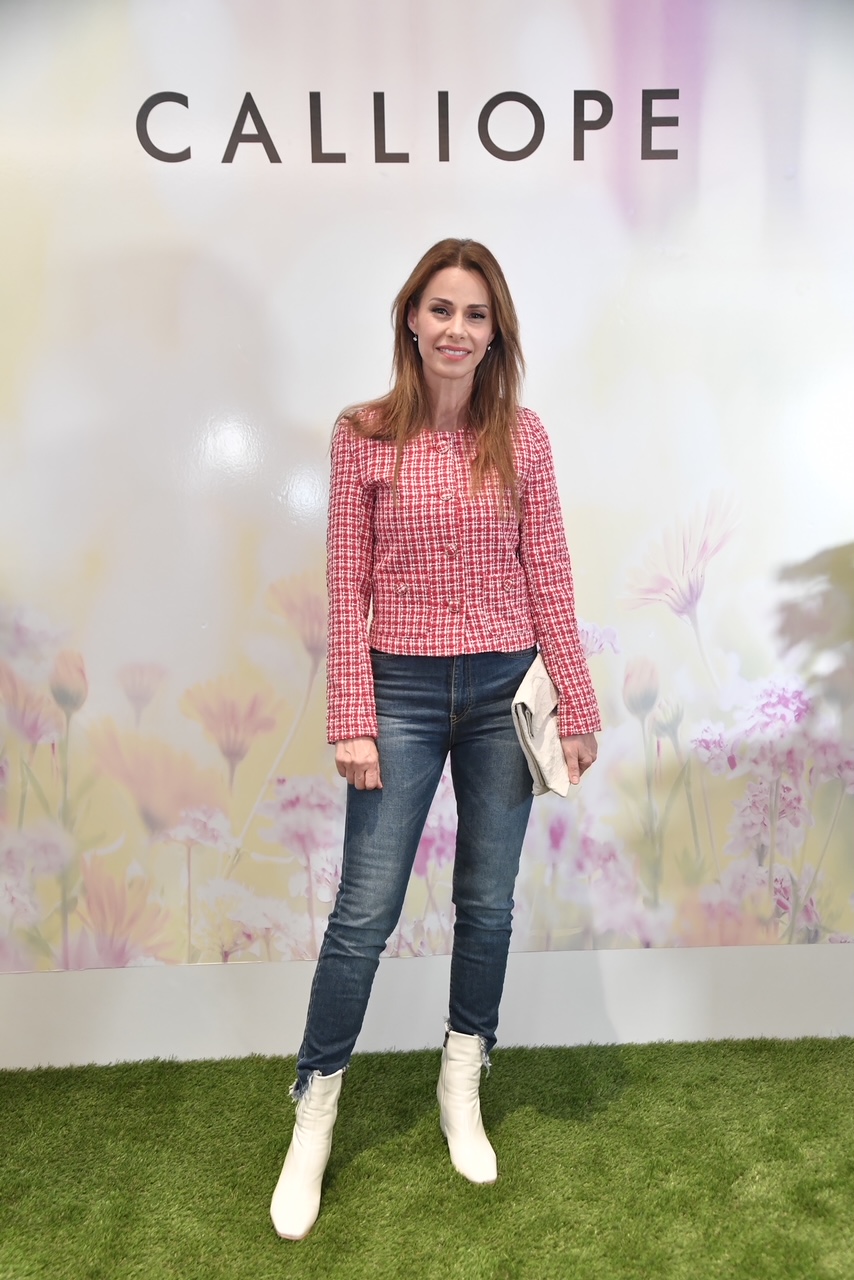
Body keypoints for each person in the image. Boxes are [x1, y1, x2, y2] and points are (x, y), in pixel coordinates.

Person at [270, 238, 601, 1240]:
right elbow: (346, 585)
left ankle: (462, 1078)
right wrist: (351, 718)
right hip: (401, 694)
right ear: (411, 319)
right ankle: (314, 1110)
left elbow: (549, 573)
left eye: (476, 314)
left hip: (505, 692)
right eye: (441, 309)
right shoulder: (362, 434)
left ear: (495, 334)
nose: (456, 328)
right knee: (363, 912)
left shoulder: (523, 437)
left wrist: (579, 708)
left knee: (486, 903)